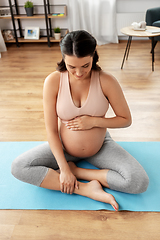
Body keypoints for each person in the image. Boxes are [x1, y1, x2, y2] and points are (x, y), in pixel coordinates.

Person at [11, 30, 149, 211]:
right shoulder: (53, 82)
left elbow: (125, 120)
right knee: (19, 167)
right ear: (63, 59)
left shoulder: (106, 81)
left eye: (85, 65)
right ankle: (86, 189)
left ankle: (79, 172)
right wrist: (64, 170)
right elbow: (51, 131)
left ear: (93, 56)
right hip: (64, 148)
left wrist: (94, 122)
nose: (78, 73)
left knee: (139, 182)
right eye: (71, 67)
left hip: (100, 147)